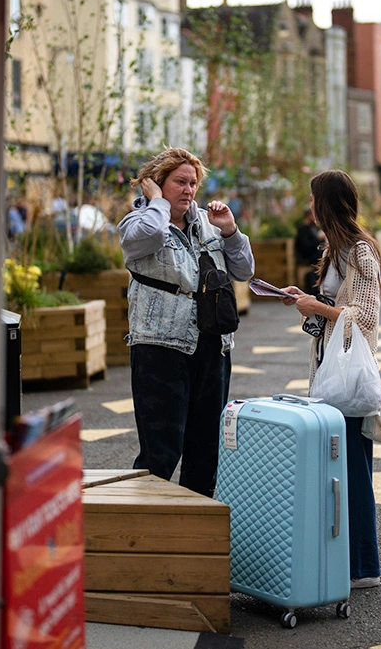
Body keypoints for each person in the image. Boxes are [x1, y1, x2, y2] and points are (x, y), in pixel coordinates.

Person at [118, 148, 255, 498]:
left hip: (213, 345)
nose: (189, 190)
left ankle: (193, 535)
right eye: (179, 182)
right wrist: (155, 202)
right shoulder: (139, 222)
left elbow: (244, 271)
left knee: (206, 449)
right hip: (160, 347)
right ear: (156, 183)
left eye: (193, 182)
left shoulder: (208, 225)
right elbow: (149, 233)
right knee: (161, 450)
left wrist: (231, 233)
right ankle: (149, 531)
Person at [281, 169, 381, 591]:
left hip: (349, 379)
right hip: (331, 372)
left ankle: (364, 565)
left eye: (312, 198)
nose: (309, 206)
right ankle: (347, 560)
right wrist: (307, 303)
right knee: (339, 472)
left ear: (325, 202)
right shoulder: (336, 248)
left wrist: (319, 307)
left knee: (353, 473)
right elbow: (336, 309)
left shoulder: (359, 251)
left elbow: (363, 317)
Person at [294, 208, 325, 294]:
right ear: (308, 216)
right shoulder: (303, 229)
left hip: (314, 254)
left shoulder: (313, 227)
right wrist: (318, 239)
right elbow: (306, 246)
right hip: (307, 255)